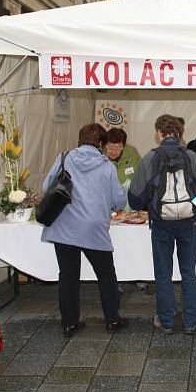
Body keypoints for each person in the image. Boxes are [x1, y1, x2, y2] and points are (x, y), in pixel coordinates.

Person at [42, 123, 129, 336]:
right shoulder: (107, 166)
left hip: (64, 227)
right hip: (94, 228)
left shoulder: (63, 158)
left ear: (80, 140)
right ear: (101, 143)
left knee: (68, 276)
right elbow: (118, 200)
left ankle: (70, 323)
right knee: (106, 274)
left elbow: (46, 187)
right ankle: (112, 320)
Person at [129, 115, 196, 335]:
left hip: (161, 223)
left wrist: (149, 205)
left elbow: (135, 197)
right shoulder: (192, 156)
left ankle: (166, 321)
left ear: (159, 133)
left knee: (163, 274)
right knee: (189, 273)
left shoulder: (150, 158)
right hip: (187, 223)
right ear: (180, 133)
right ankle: (191, 321)